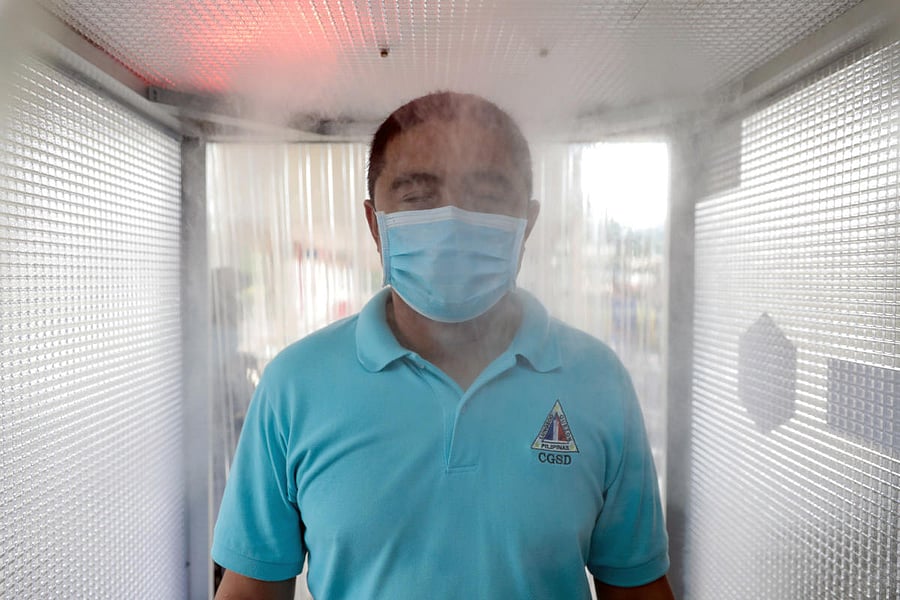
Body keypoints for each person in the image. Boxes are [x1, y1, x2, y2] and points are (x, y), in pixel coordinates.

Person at [212, 91, 674, 600]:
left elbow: (636, 587)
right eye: (418, 197)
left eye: (487, 195)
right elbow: (250, 590)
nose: (453, 221)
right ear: (375, 224)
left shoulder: (598, 382)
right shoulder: (295, 386)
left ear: (528, 223)